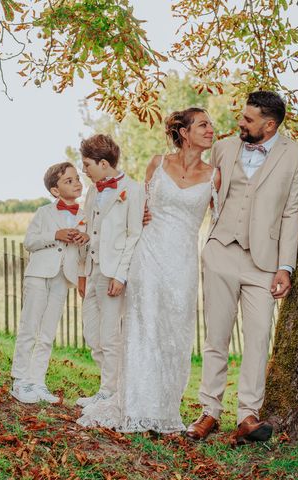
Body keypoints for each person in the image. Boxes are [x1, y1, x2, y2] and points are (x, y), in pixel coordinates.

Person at [77, 108, 221, 433]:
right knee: (142, 330)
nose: (211, 129)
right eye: (203, 124)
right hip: (148, 255)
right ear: (184, 133)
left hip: (183, 262)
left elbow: (220, 224)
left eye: (210, 125)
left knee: (173, 334)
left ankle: (164, 409)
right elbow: (138, 210)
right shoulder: (157, 163)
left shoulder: (215, 175)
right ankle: (135, 406)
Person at [186, 91, 298, 445]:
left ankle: (247, 415)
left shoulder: (294, 154)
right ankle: (209, 411)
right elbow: (198, 182)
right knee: (216, 338)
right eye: (242, 116)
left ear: (269, 125)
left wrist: (285, 267)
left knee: (257, 339)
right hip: (221, 251)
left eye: (248, 120)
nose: (240, 123)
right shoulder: (223, 148)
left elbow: (291, 211)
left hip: (264, 262)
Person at [76, 134, 146, 408]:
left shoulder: (133, 190)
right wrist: (82, 272)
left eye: (87, 165)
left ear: (103, 164)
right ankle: (111, 387)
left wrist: (121, 275)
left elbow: (133, 235)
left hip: (113, 272)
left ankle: (110, 391)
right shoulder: (93, 191)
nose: (84, 171)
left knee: (109, 335)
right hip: (93, 268)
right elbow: (89, 229)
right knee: (92, 333)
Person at [10, 162, 88, 403]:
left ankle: (38, 381)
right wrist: (55, 235)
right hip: (38, 275)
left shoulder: (86, 215)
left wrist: (84, 238)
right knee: (29, 327)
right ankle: (20, 380)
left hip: (63, 278)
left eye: (77, 179)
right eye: (69, 181)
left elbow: (86, 255)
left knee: (47, 332)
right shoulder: (44, 213)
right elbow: (30, 242)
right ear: (55, 191)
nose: (76, 183)